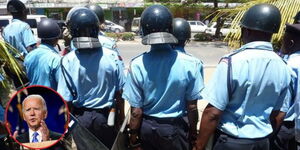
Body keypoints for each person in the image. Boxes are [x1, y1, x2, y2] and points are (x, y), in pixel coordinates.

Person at [194, 4, 293, 150]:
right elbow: (279, 115)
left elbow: (213, 113)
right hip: (262, 142)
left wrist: (199, 147)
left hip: (232, 142)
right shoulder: (284, 66)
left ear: (245, 30)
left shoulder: (232, 62)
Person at [122, 5, 204, 150]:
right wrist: (192, 135)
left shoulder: (136, 64)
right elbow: (192, 106)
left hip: (147, 129)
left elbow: (136, 111)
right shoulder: (191, 64)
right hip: (176, 130)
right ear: (171, 29)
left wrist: (133, 139)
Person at [57, 8, 125, 149]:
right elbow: (120, 94)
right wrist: (121, 119)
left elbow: (66, 100)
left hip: (81, 119)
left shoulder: (67, 60)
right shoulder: (112, 57)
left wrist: (67, 125)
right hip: (106, 118)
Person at [272, 24, 300, 150]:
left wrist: (271, 135)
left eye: (283, 39)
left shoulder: (289, 66)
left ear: (290, 42)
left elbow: (282, 109)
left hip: (286, 128)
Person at [24, 19, 61, 90]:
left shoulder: (29, 56)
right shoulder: (56, 59)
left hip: (33, 97)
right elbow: (61, 85)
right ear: (56, 39)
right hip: (50, 98)